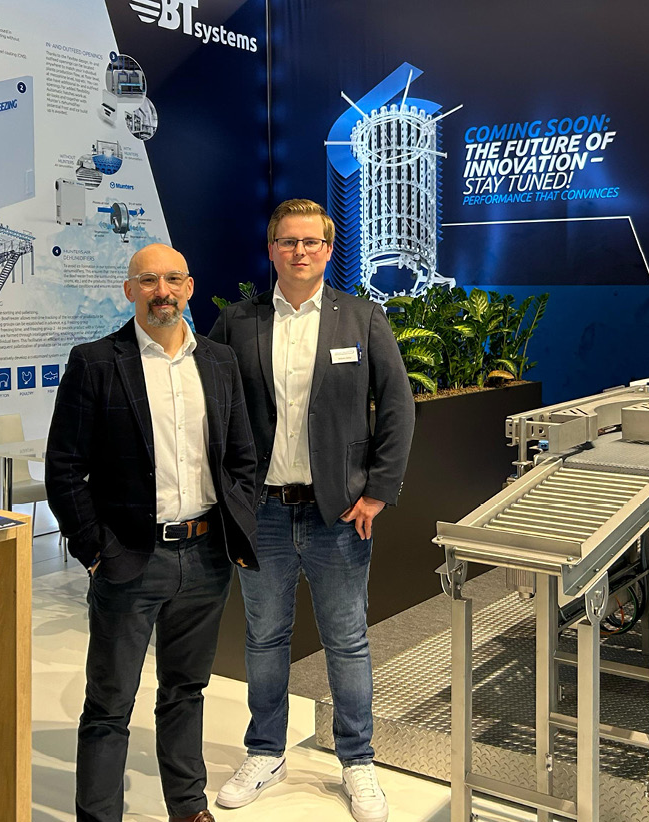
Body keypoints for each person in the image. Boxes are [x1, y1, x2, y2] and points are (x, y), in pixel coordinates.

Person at [209, 199, 414, 822]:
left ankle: (357, 760)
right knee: (264, 637)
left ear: (328, 250)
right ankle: (265, 751)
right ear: (271, 249)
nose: (300, 251)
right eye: (288, 241)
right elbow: (209, 411)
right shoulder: (236, 324)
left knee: (347, 641)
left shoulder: (363, 317)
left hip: (338, 515)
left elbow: (398, 406)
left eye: (311, 242)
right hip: (263, 513)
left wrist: (378, 491)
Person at [45, 243, 260, 822]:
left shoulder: (218, 361)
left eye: (172, 279)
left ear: (189, 287)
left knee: (186, 690)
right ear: (129, 291)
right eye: (147, 280)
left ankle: (188, 808)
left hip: (206, 557)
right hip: (129, 559)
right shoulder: (95, 362)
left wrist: (235, 524)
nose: (161, 291)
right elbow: (64, 467)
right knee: (109, 705)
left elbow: (242, 457)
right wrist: (95, 550)